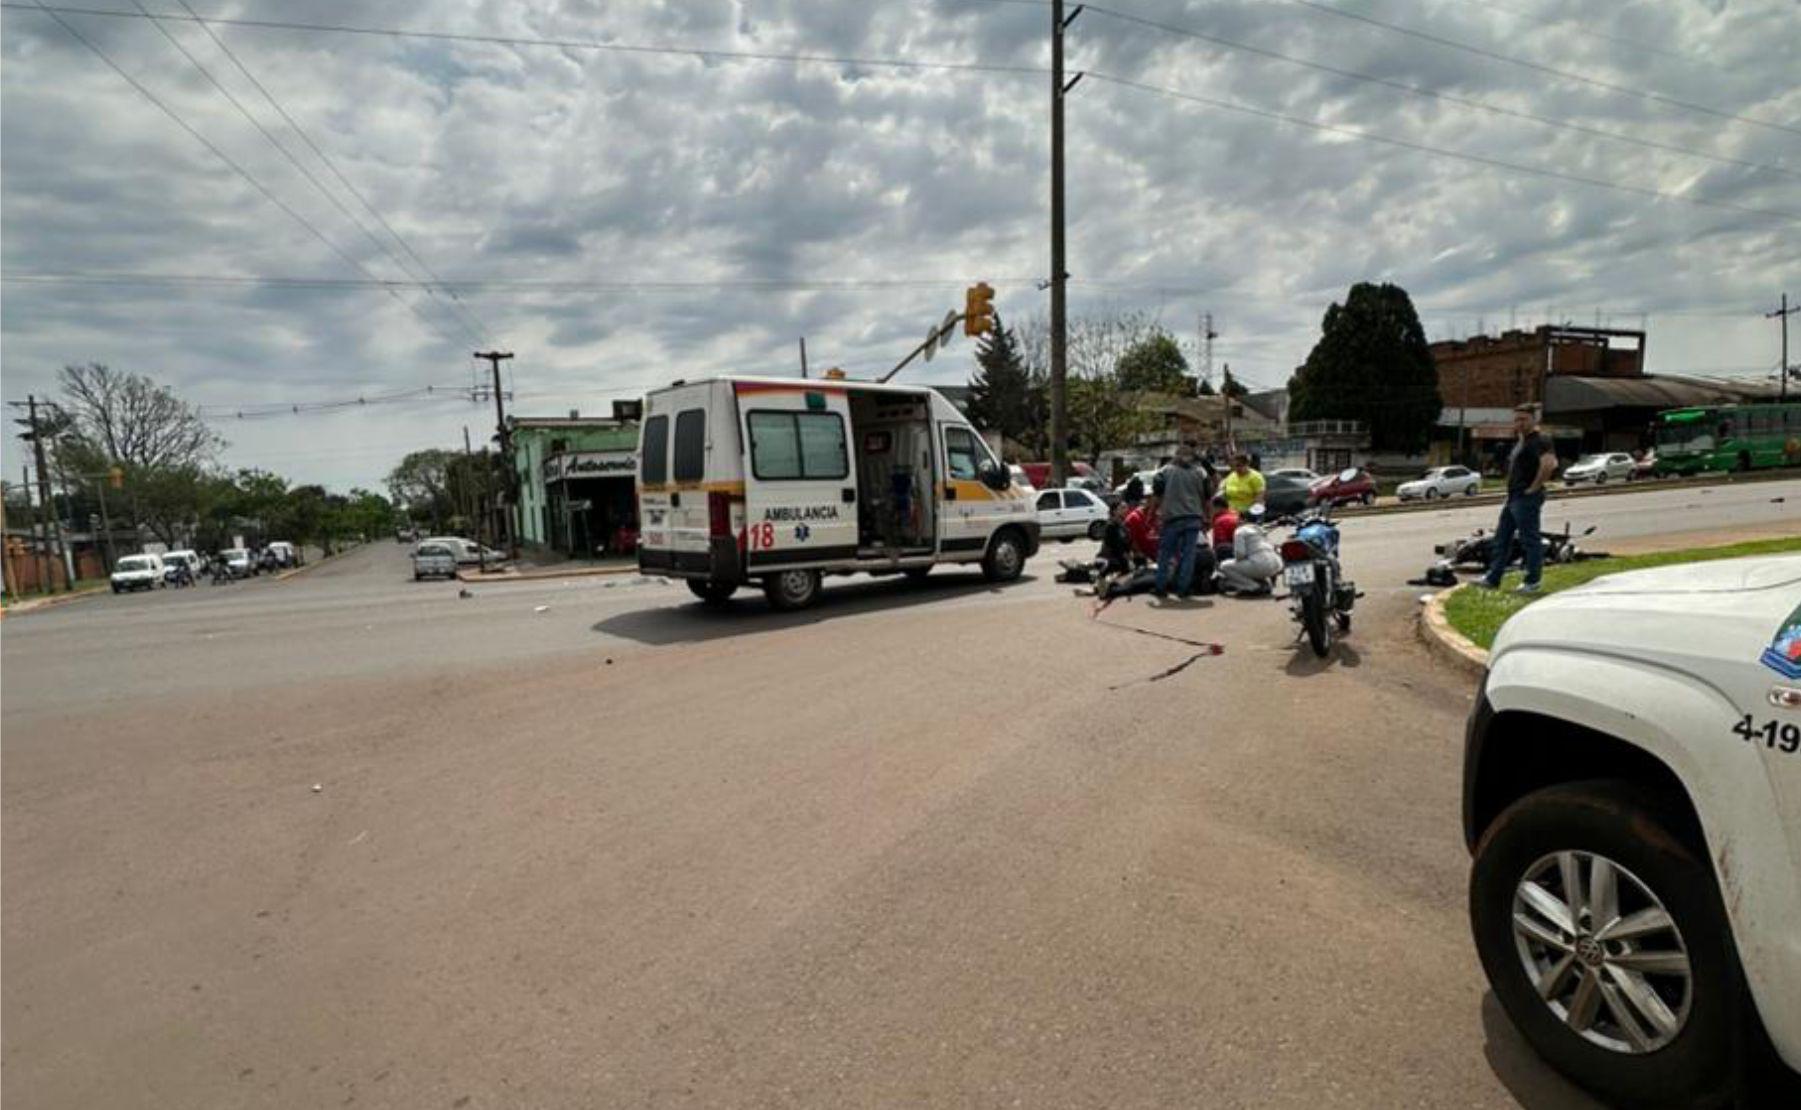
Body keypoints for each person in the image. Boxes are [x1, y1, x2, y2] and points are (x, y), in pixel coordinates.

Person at [1481, 404, 1557, 594]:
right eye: (1517, 419)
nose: (1519, 423)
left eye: (1524, 419)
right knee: (1502, 538)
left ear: (1534, 419)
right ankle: (1493, 578)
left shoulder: (1540, 440)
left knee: (1529, 540)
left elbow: (1549, 464)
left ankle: (1532, 581)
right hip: (1513, 497)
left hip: (1526, 498)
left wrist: (1534, 487)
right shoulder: (1521, 442)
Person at [1150, 442, 1213, 598]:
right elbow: (1207, 499)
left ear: (1176, 456)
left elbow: (1157, 496)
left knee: (1165, 554)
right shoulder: (1201, 473)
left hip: (1172, 518)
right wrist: (1208, 517)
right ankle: (1183, 589)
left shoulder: (1164, 472)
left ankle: (1161, 587)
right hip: (1193, 518)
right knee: (1188, 555)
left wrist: (1151, 514)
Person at [1218, 504, 1282, 596]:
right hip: (1276, 564)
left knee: (1224, 566)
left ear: (1243, 520)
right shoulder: (1259, 529)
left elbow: (1239, 554)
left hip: (1261, 565)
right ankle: (1264, 584)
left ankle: (1252, 586)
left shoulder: (1240, 531)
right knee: (1252, 563)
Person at [1209, 494, 1239, 566]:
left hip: (1228, 554)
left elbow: (1220, 543)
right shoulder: (1236, 515)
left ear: (1218, 507)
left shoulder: (1220, 521)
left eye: (1211, 508)